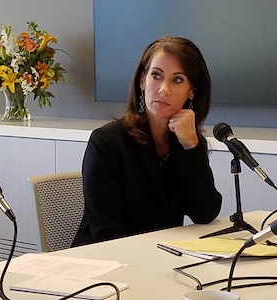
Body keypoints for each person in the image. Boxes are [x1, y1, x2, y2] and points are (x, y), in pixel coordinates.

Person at [72, 36, 222, 247]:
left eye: (177, 79)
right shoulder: (107, 142)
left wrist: (191, 146)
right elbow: (108, 234)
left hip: (162, 258)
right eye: (156, 76)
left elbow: (204, 213)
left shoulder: (187, 142)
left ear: (192, 91)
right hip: (105, 264)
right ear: (142, 81)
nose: (164, 89)